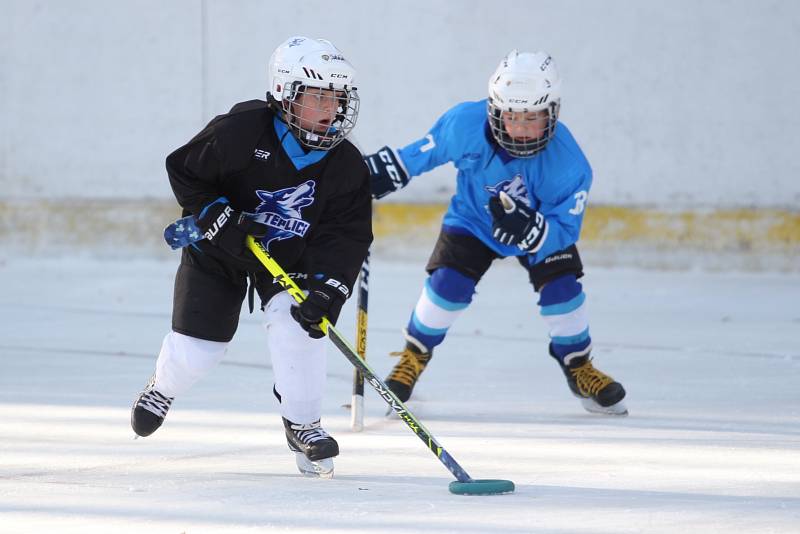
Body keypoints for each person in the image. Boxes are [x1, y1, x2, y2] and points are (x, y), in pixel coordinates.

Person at [130, 36, 373, 477]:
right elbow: (184, 169)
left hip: (288, 257)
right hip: (218, 250)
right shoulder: (240, 130)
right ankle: (162, 385)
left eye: (337, 97)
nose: (331, 108)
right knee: (198, 352)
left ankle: (303, 423)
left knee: (300, 324)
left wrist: (330, 288)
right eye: (319, 96)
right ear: (285, 94)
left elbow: (347, 236)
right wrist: (215, 214)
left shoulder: (347, 165)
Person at [363, 50, 627, 415]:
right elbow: (418, 155)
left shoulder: (571, 165)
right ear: (494, 109)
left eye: (532, 118)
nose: (519, 129)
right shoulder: (464, 124)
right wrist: (379, 172)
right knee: (446, 288)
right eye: (511, 116)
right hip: (473, 221)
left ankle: (579, 366)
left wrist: (534, 232)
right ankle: (413, 357)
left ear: (552, 113)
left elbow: (565, 230)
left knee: (563, 289)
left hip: (541, 227)